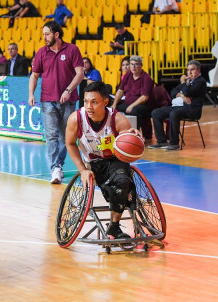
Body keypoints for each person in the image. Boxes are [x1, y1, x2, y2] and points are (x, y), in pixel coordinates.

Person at [66, 81, 142, 238]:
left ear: (105, 102)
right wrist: (82, 170)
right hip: (93, 163)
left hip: (115, 160)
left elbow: (129, 142)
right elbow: (70, 143)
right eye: (86, 101)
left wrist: (133, 135)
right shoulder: (76, 119)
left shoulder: (118, 120)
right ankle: (115, 202)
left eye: (94, 102)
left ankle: (114, 227)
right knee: (111, 190)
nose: (89, 106)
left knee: (122, 183)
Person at [28, 21, 83, 184]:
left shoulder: (72, 49)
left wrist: (68, 90)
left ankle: (59, 165)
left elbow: (80, 73)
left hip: (69, 100)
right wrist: (31, 93)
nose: (44, 37)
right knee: (51, 135)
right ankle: (56, 168)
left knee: (66, 136)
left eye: (47, 34)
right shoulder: (41, 52)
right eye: (43, 34)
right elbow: (34, 75)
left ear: (56, 34)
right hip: (47, 100)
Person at [149, 60, 206, 150]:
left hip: (192, 110)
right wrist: (182, 95)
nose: (189, 72)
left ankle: (174, 143)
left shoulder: (201, 82)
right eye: (188, 70)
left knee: (174, 114)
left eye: (192, 70)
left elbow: (187, 91)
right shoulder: (188, 81)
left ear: (198, 71)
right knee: (156, 113)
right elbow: (173, 91)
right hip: (180, 107)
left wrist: (183, 83)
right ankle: (161, 141)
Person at [111, 55, 154, 131]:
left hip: (143, 105)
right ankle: (116, 132)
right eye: (131, 64)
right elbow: (120, 91)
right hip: (128, 104)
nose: (133, 67)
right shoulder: (128, 75)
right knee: (111, 107)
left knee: (135, 111)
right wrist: (114, 104)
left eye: (136, 64)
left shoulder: (146, 78)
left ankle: (133, 134)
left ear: (141, 65)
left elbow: (144, 97)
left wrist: (131, 106)